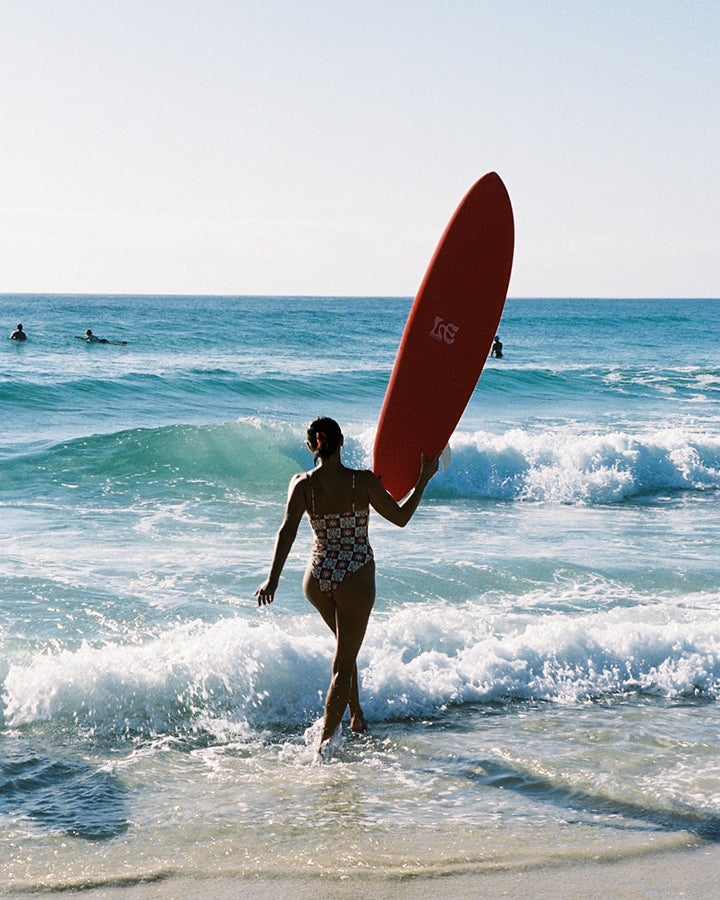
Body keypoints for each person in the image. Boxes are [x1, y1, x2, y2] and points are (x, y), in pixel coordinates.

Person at [255, 416, 438, 755]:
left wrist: (273, 579)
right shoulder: (361, 482)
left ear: (311, 445)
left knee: (345, 647)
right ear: (342, 442)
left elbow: (287, 531)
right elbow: (401, 518)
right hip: (354, 577)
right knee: (343, 663)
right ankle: (322, 747)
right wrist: (423, 479)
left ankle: (356, 715)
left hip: (317, 578)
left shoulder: (301, 484)